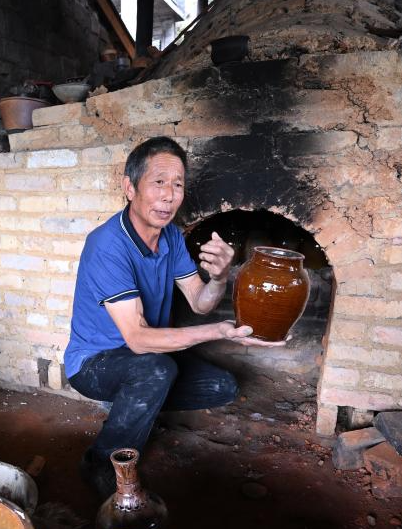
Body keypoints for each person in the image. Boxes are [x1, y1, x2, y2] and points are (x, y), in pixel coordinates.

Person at [63, 137, 286, 498]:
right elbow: (138, 339)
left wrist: (219, 277)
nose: (169, 195)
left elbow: (199, 302)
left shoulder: (170, 238)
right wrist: (219, 332)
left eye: (178, 184)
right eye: (158, 182)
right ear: (130, 187)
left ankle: (132, 402)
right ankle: (100, 463)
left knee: (222, 386)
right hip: (95, 362)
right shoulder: (106, 245)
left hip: (147, 358)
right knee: (157, 370)